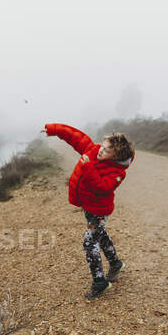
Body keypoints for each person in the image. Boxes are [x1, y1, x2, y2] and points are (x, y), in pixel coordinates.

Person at [41, 123, 135, 299]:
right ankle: (115, 264)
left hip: (99, 211)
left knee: (89, 242)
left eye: (106, 151)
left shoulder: (117, 172)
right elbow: (76, 137)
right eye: (103, 146)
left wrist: (87, 167)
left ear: (115, 156)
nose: (101, 151)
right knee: (101, 236)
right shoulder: (93, 150)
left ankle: (99, 282)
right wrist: (55, 130)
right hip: (88, 207)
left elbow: (102, 188)